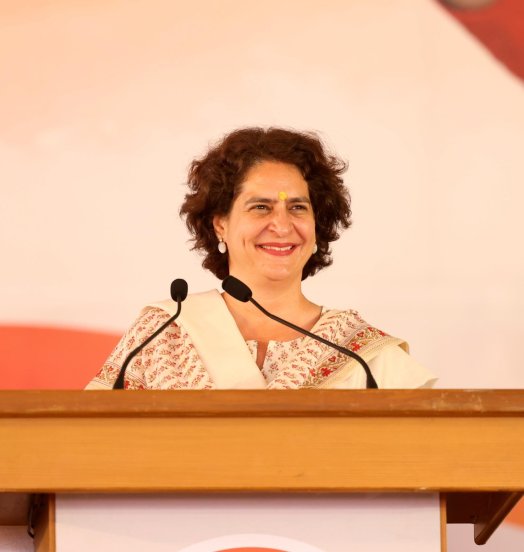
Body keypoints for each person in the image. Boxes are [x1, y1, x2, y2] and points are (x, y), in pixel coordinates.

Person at [86, 127, 436, 390]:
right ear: (220, 223)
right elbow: (89, 444)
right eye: (261, 207)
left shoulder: (364, 354)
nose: (282, 225)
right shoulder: (162, 335)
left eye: (297, 207)